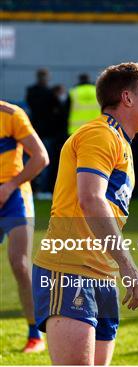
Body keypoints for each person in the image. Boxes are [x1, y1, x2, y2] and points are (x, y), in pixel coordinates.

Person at [32, 62, 138, 365]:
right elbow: (91, 199)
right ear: (127, 98)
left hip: (101, 275)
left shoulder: (122, 143)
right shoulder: (101, 134)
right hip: (69, 270)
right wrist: (128, 267)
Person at [0, 100, 49, 352]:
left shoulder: (11, 114)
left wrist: (9, 186)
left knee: (19, 264)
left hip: (14, 198)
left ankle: (35, 335)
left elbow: (41, 157)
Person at [25, 68, 57, 196]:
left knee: (32, 159)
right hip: (45, 131)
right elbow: (53, 110)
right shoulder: (49, 93)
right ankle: (41, 189)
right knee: (44, 160)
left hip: (34, 130)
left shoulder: (31, 91)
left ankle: (33, 188)